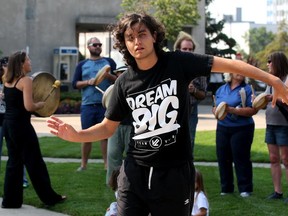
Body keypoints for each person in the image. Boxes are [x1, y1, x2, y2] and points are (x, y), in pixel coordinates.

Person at [47, 12, 288, 216]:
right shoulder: (124, 83)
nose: (136, 41)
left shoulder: (177, 63)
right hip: (134, 173)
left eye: (142, 34)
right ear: (125, 44)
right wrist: (76, 135)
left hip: (175, 173)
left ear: (154, 36)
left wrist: (274, 80)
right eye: (130, 37)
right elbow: (108, 127)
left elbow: (230, 65)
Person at [1, 50, 66, 208]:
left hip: (8, 125)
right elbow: (29, 106)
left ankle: (11, 201)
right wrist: (40, 105)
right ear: (21, 64)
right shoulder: (26, 81)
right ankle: (50, 198)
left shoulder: (7, 80)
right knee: (35, 162)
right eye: (28, 60)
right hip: (21, 126)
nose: (30, 62)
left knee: (14, 161)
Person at [72, 37, 117, 171]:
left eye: (99, 44)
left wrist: (108, 76)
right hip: (88, 106)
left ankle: (106, 165)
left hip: (105, 105)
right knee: (86, 136)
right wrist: (87, 82)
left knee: (105, 136)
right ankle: (83, 165)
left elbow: (119, 80)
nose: (97, 46)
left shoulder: (108, 62)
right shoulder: (82, 65)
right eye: (94, 44)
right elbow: (75, 83)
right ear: (88, 47)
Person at [213, 71, 257, 197]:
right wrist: (216, 111)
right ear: (230, 73)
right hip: (222, 127)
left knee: (241, 158)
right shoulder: (221, 89)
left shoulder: (248, 89)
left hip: (242, 128)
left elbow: (252, 110)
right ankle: (226, 188)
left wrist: (231, 110)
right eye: (237, 70)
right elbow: (214, 106)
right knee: (223, 158)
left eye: (243, 71)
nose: (240, 73)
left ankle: (245, 188)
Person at [174, 31, 207, 154]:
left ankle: (187, 172)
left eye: (190, 49)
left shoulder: (199, 68)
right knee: (171, 143)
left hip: (191, 112)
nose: (187, 51)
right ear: (178, 49)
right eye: (184, 49)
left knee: (189, 143)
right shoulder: (171, 67)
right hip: (172, 112)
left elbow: (203, 94)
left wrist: (194, 90)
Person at [262, 52, 288, 202]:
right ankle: (277, 192)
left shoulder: (286, 80)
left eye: (270, 61)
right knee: (273, 159)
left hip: (284, 125)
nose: (268, 64)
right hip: (270, 124)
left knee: (286, 159)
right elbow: (267, 100)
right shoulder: (271, 81)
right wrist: (259, 100)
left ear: (278, 62)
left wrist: (274, 98)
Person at [0, 56, 29, 189]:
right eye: (3, 65)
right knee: (15, 156)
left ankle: (22, 180)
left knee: (16, 156)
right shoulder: (8, 81)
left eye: (7, 65)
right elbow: (29, 106)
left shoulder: (11, 82)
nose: (5, 67)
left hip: (10, 121)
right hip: (10, 122)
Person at [106, 66, 133, 185]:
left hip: (132, 126)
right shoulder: (113, 89)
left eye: (124, 72)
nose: (122, 75)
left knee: (131, 155)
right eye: (120, 73)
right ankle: (113, 183)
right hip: (115, 126)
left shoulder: (136, 86)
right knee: (112, 154)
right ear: (116, 75)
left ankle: (132, 181)